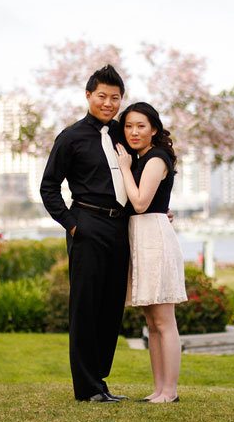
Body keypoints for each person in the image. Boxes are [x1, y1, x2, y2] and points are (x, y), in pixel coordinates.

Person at [40, 65, 131, 403]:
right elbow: (49, 187)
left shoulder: (124, 134)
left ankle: (100, 382)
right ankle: (87, 388)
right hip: (88, 226)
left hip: (121, 228)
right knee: (86, 308)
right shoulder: (71, 137)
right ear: (88, 95)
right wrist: (73, 224)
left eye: (115, 98)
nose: (109, 103)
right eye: (102, 96)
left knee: (110, 309)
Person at [115, 102, 186, 404]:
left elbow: (142, 202)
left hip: (153, 238)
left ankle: (169, 391)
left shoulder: (156, 157)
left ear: (154, 129)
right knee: (152, 323)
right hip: (141, 236)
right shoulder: (141, 158)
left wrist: (123, 168)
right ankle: (158, 389)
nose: (134, 132)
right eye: (129, 126)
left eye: (141, 126)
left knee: (163, 321)